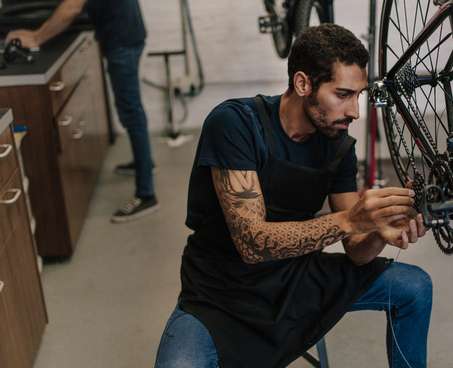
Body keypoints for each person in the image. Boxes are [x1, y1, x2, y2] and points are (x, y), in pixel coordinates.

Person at [154, 24, 432, 368]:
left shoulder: (337, 146)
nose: (355, 111)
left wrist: (378, 233)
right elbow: (252, 243)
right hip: (220, 291)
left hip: (295, 278)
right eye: (343, 94)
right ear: (303, 84)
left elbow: (356, 251)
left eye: (359, 95)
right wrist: (350, 219)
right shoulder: (235, 124)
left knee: (415, 287)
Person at [6, 0, 159, 224]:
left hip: (122, 41)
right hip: (126, 35)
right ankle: (144, 162)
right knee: (131, 110)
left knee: (131, 113)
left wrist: (37, 37)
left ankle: (146, 195)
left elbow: (72, 7)